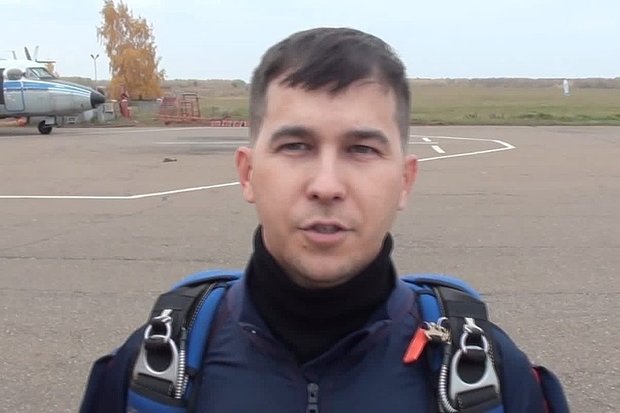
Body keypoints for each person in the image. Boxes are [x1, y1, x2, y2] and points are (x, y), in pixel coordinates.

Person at [80, 27, 568, 412]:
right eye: (296, 146)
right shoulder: (153, 373)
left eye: (362, 149)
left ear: (404, 181)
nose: (327, 185)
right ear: (248, 174)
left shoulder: (488, 379)